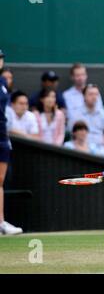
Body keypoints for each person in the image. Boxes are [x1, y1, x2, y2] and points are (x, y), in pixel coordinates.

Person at [0, 50, 23, 235]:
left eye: (1, 58)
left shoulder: (2, 83)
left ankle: (1, 222)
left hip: (2, 136)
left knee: (0, 180)